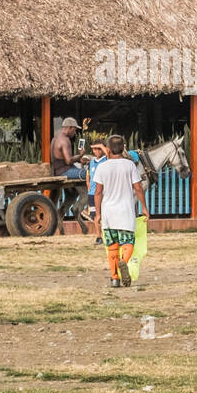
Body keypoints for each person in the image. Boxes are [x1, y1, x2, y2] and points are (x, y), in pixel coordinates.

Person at [93, 134, 149, 288]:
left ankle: (114, 278)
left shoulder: (102, 167)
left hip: (108, 212)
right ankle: (124, 261)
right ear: (124, 149)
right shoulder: (129, 166)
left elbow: (98, 192)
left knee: (112, 246)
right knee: (127, 242)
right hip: (125, 211)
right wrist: (144, 207)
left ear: (108, 150)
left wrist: (97, 214)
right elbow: (138, 187)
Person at [50, 116, 88, 221]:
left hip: (59, 170)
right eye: (75, 130)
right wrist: (80, 155)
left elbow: (63, 158)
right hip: (65, 171)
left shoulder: (56, 138)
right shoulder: (65, 140)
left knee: (72, 193)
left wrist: (78, 160)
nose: (75, 133)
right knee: (90, 174)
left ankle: (67, 207)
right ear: (70, 128)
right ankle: (80, 207)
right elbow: (68, 161)